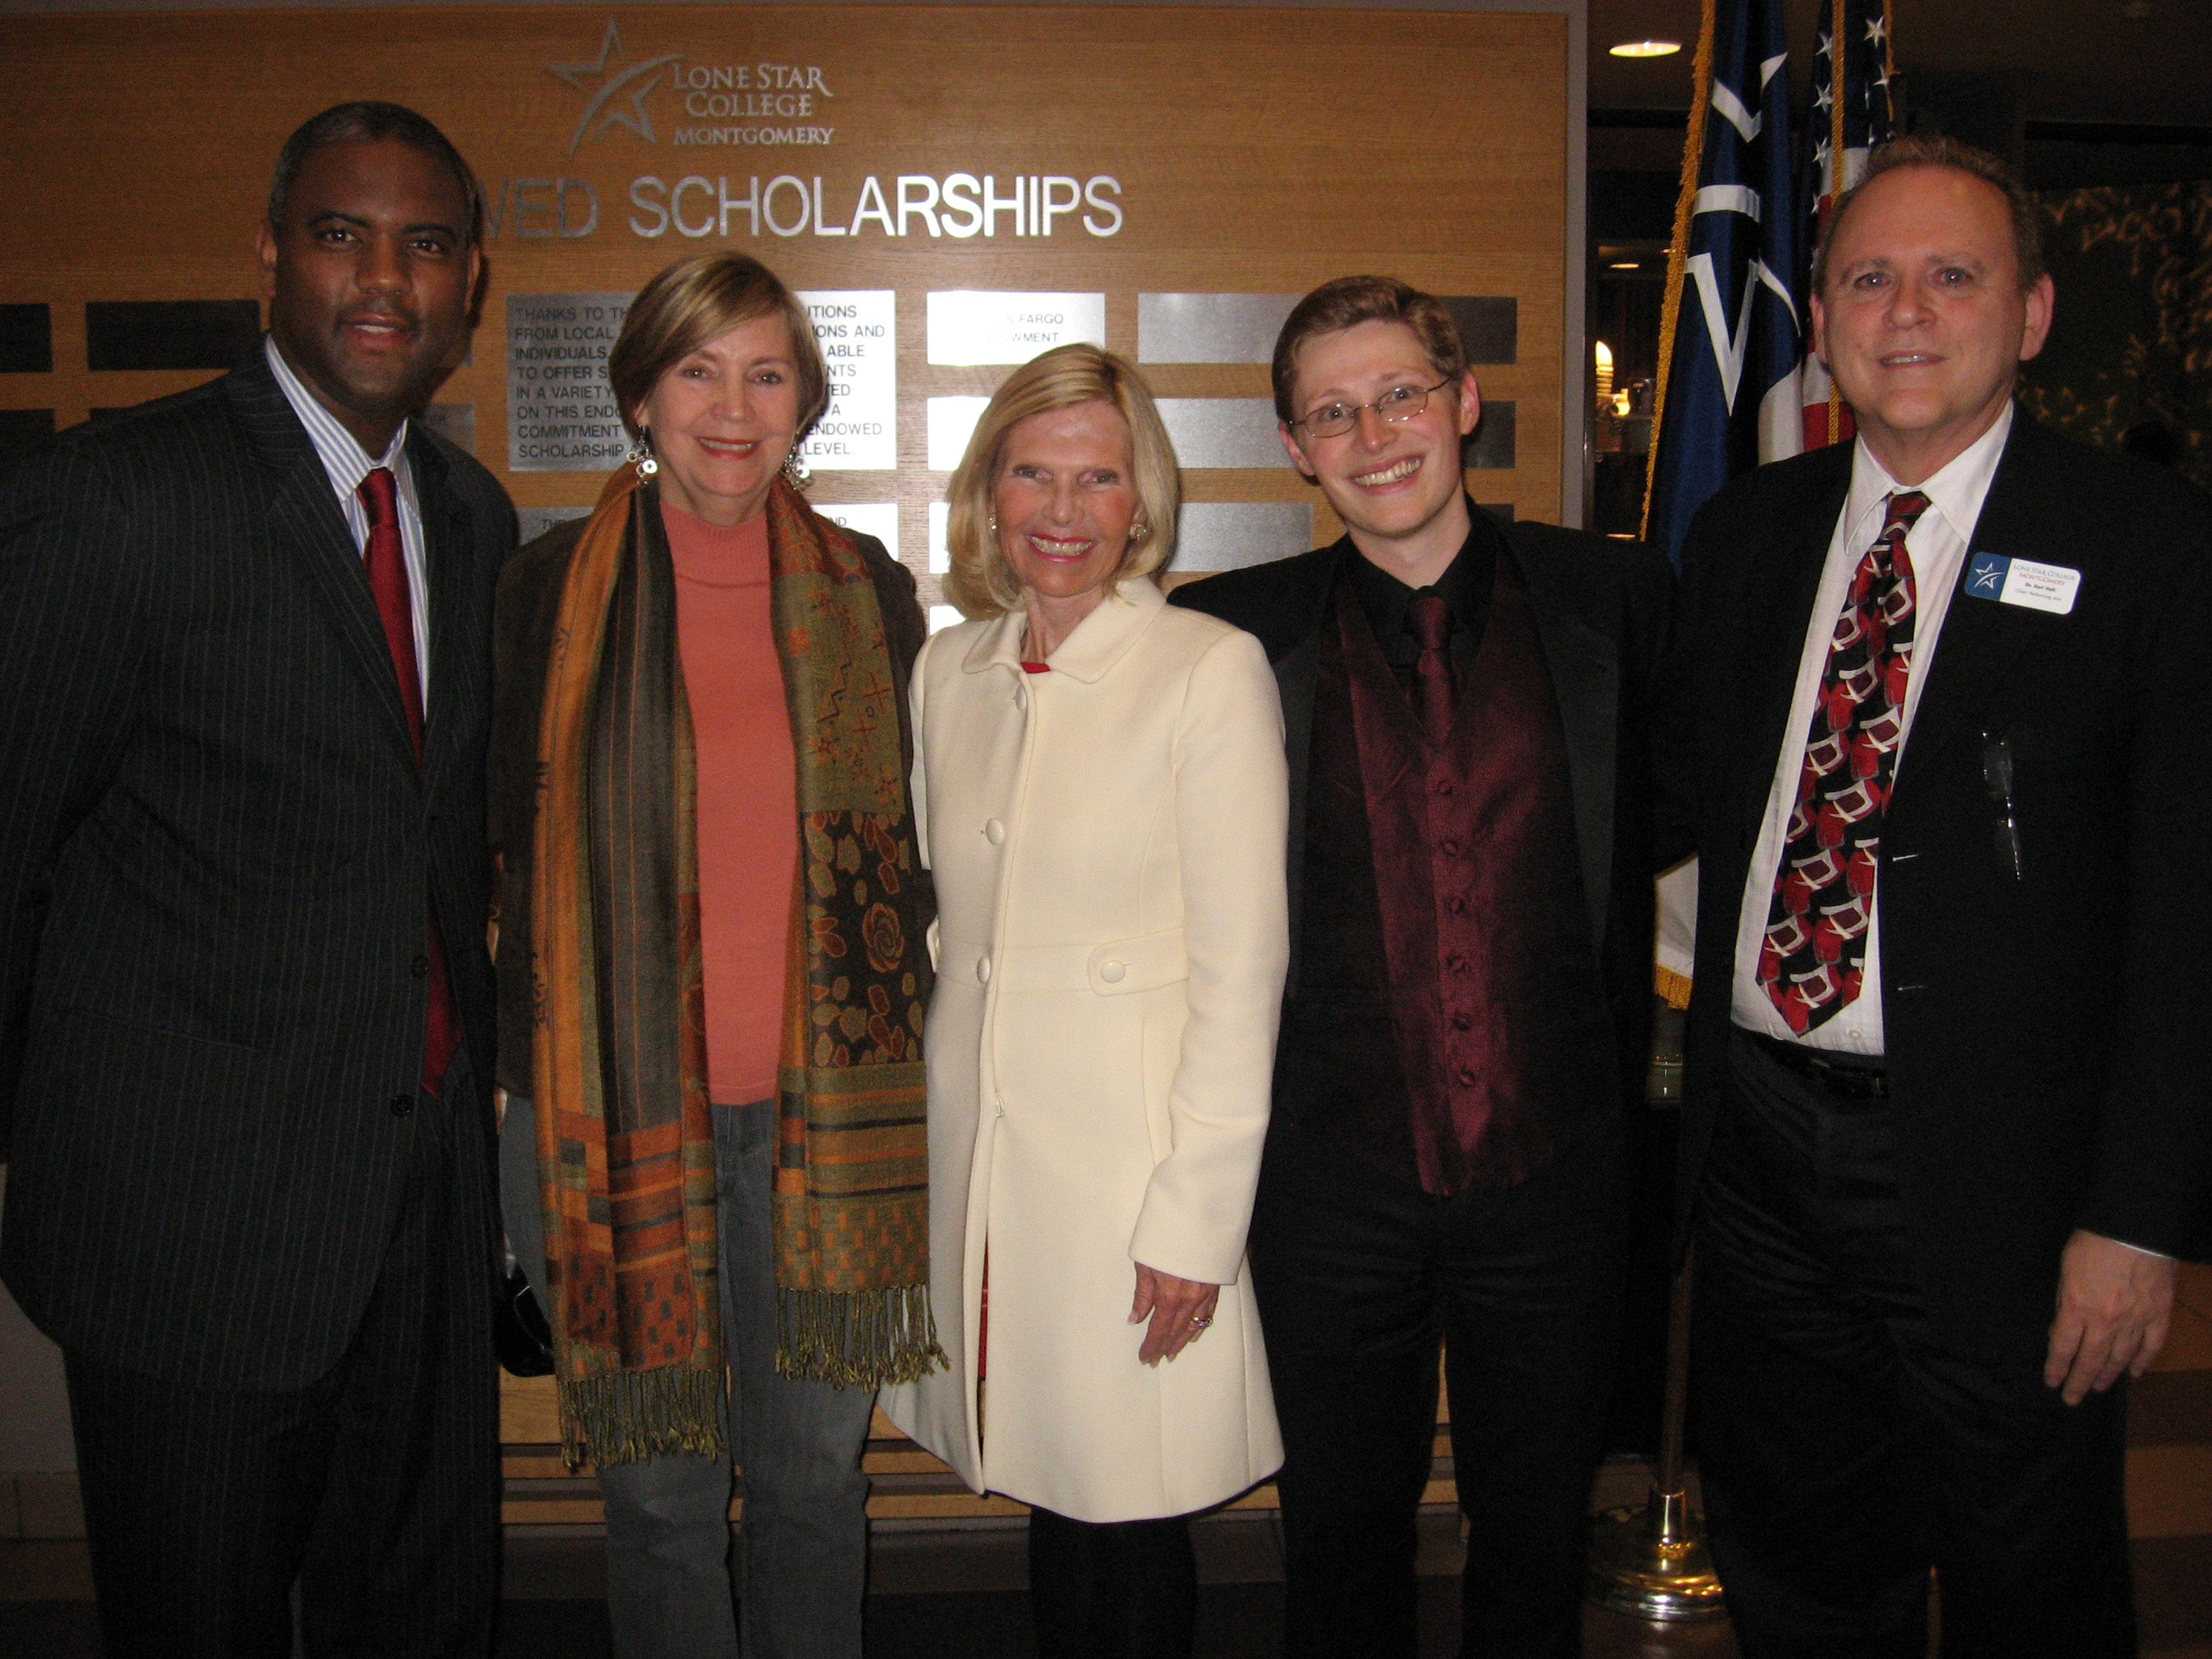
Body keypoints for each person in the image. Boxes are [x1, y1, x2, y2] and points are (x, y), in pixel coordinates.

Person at [1668, 134, 2212, 1657]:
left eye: (1950, 276)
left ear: (2030, 314)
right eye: (1867, 278)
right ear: (1822, 321)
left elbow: (2188, 922)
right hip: (1763, 1151)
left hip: (2011, 1179)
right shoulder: (1748, 535)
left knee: (2027, 1575)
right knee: (1795, 1559)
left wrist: (2135, 1220)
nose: (1905, 312)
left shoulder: (2152, 549)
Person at [0, 103, 510, 1656]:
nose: (384, 278)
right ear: (268, 261)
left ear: (469, 283)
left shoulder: (472, 519)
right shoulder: (118, 501)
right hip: (193, 1229)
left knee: (416, 1616)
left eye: (424, 245)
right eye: (342, 234)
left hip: (418, 1211)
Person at [1170, 277, 1672, 1658]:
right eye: (1333, 411)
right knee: (1337, 1541)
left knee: (1536, 1537)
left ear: (1463, 403)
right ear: (1294, 447)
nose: (1374, 432)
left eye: (1399, 393)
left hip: (1556, 1176)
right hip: (1331, 1185)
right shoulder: (1226, 638)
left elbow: (1682, 822)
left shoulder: (1614, 600)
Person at [489, 251, 938, 1659]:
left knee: (812, 1485)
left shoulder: (870, 592)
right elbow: (488, 846)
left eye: (766, 372)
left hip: (826, 1132)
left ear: (804, 400)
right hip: (609, 1126)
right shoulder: (543, 593)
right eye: (697, 368)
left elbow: (918, 862)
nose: (732, 407)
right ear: (638, 393)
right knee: (664, 1502)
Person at [878, 343, 1290, 1657]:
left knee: (1130, 1509)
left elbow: (1245, 967)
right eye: (1033, 475)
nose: (1062, 511)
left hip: (1130, 1175)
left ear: (1141, 500)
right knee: (1053, 1497)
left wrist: (1198, 1214)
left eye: (1097, 478)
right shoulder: (950, 672)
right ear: (989, 495)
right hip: (994, 1166)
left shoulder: (1206, 669)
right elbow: (956, 922)